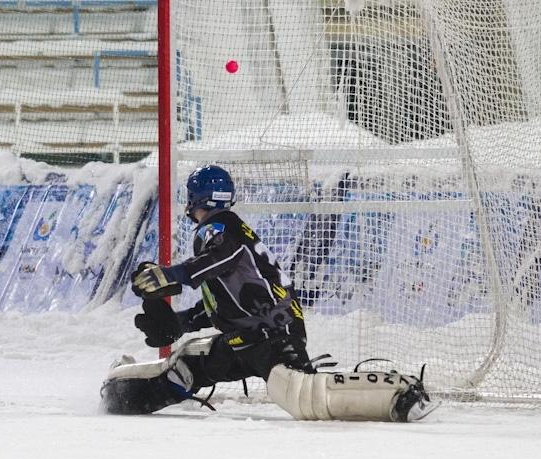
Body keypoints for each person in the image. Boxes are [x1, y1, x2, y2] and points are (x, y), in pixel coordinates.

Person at [100, 165, 437, 422]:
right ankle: (120, 388)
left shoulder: (224, 228)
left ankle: (400, 392)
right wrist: (181, 322)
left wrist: (169, 275)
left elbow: (216, 259)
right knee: (181, 369)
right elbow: (226, 300)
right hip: (241, 341)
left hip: (274, 339)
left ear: (194, 200)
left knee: (302, 394)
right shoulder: (221, 231)